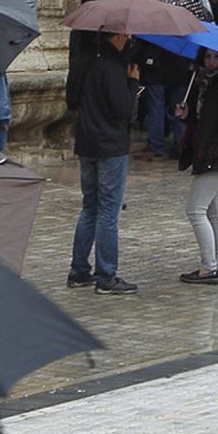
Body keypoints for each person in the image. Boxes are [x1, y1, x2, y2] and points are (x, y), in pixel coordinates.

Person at [66, 29, 137, 293]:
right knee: (109, 210)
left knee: (89, 207)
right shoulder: (112, 67)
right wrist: (132, 83)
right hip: (111, 145)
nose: (129, 38)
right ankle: (106, 275)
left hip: (87, 142)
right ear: (117, 35)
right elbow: (123, 110)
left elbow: (72, 101)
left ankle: (79, 270)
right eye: (127, 33)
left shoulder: (83, 62)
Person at [176, 49, 218, 282]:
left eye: (216, 57)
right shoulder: (203, 84)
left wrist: (210, 154)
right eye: (207, 57)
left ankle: (209, 266)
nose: (211, 62)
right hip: (206, 153)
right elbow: (202, 120)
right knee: (214, 212)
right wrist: (185, 114)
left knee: (195, 210)